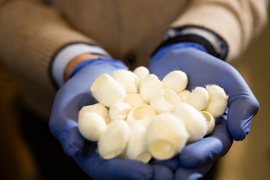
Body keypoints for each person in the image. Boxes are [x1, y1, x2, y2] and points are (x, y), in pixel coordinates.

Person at [0, 0, 269, 179]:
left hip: (189, 149)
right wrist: (73, 58)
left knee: (191, 165)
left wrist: (198, 37)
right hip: (49, 114)